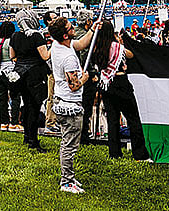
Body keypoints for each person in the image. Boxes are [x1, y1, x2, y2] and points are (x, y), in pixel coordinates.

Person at [91, 21, 150, 161]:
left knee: (112, 120)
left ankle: (114, 153)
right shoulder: (117, 47)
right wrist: (120, 42)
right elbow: (130, 55)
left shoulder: (97, 48)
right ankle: (140, 154)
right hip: (120, 82)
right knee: (133, 118)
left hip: (106, 84)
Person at [49, 16, 90, 194]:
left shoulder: (58, 45)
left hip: (61, 100)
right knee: (69, 145)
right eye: (71, 27)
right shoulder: (68, 58)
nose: (73, 27)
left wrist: (93, 30)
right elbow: (74, 86)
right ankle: (66, 182)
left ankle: (69, 178)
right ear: (66, 35)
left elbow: (80, 44)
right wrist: (84, 79)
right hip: (69, 103)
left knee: (68, 142)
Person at [10, 9, 51, 152]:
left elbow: (12, 55)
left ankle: (27, 136)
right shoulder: (36, 36)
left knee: (26, 106)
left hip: (20, 74)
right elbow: (45, 56)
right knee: (35, 106)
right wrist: (53, 46)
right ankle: (33, 141)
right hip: (35, 74)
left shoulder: (15, 36)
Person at [0, 21, 20, 132]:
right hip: (11, 72)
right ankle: (14, 123)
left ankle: (4, 123)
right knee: (15, 97)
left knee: (2, 98)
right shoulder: (12, 41)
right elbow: (15, 56)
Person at [73, 11, 97, 144]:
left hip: (74, 74)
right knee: (86, 106)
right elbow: (86, 55)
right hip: (85, 74)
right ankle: (83, 136)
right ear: (88, 22)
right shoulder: (85, 35)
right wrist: (91, 72)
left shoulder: (74, 32)